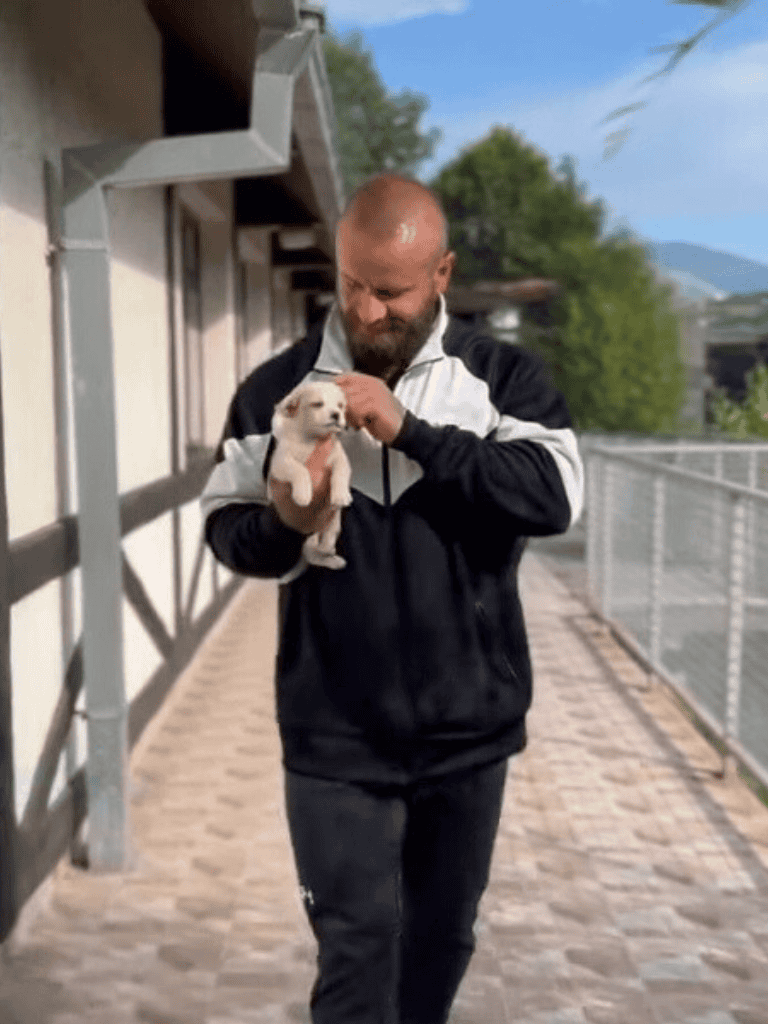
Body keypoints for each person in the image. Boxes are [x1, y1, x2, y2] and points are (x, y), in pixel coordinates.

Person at [201, 174, 584, 1024]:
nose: (367, 310)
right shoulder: (276, 389)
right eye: (352, 284)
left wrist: (412, 433)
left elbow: (552, 496)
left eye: (392, 291)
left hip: (469, 735)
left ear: (442, 274)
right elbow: (227, 532)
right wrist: (288, 521)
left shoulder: (504, 378)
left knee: (441, 944)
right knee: (355, 954)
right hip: (332, 736)